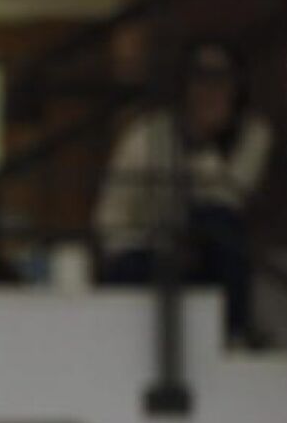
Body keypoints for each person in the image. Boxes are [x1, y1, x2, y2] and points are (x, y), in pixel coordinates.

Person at [95, 40, 273, 348]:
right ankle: (233, 330)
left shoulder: (254, 133)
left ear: (237, 85)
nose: (209, 89)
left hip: (208, 250)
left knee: (219, 221)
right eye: (201, 77)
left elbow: (229, 197)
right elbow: (111, 216)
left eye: (220, 78)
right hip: (143, 249)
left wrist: (202, 143)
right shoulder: (149, 134)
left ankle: (233, 332)